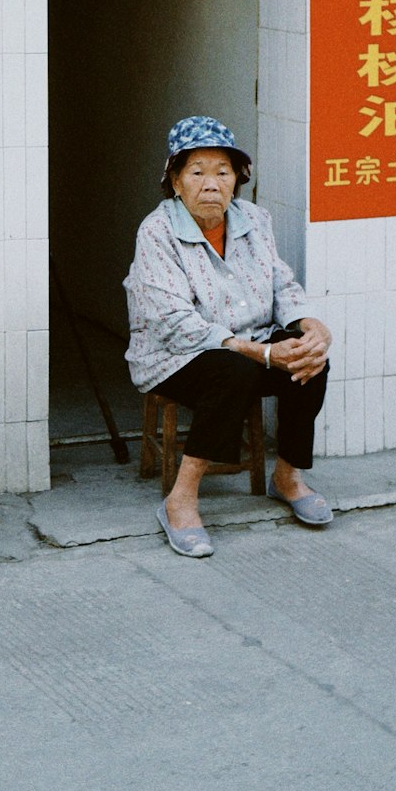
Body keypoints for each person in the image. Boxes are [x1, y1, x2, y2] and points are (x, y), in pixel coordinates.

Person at [125, 116, 332, 557]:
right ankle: (180, 500)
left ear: (238, 179)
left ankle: (287, 477)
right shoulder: (157, 232)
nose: (211, 183)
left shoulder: (255, 220)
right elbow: (174, 321)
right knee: (233, 371)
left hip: (251, 348)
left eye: (223, 171)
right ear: (175, 181)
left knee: (311, 362)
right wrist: (258, 351)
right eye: (197, 171)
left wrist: (309, 325)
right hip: (173, 356)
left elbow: (282, 286)